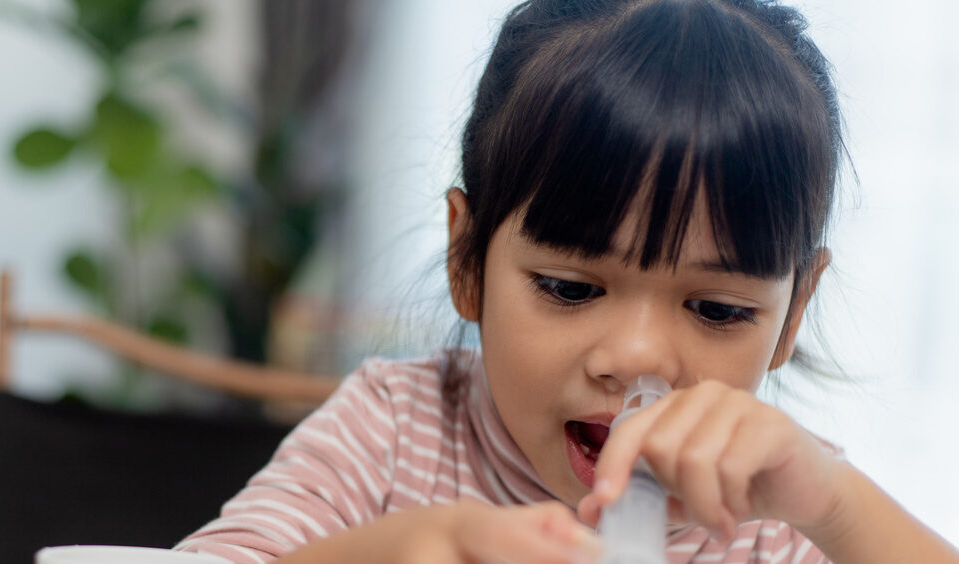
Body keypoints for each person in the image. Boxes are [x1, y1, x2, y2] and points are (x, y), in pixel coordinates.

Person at [174, 0, 959, 562]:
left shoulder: (784, 511)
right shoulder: (388, 432)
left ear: (792, 317)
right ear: (468, 260)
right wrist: (408, 548)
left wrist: (833, 503)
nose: (640, 357)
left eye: (718, 309)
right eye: (571, 288)